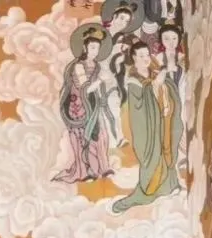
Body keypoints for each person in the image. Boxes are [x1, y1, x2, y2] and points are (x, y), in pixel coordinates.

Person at [111, 39, 183, 212]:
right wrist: (157, 82)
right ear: (134, 58)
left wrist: (162, 83)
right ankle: (148, 191)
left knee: (166, 149)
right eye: (141, 55)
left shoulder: (154, 71)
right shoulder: (133, 80)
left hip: (163, 119)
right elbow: (139, 105)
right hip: (147, 126)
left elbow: (166, 88)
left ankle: (170, 185)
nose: (145, 59)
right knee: (154, 155)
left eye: (147, 55)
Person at [54, 25, 113, 183]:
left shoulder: (97, 66)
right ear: (85, 48)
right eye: (92, 47)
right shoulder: (78, 66)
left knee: (100, 134)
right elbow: (85, 89)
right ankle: (84, 170)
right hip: (78, 105)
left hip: (93, 104)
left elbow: (98, 87)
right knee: (82, 137)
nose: (95, 51)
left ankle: (102, 167)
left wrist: (104, 86)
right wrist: (101, 80)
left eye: (97, 48)